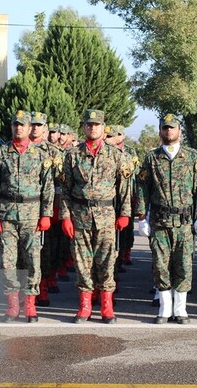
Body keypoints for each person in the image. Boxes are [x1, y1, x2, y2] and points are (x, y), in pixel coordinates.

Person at [60, 109, 132, 324]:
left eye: (97, 125)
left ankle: (107, 306)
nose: (93, 128)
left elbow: (125, 189)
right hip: (80, 215)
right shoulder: (72, 155)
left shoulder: (117, 155)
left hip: (107, 216)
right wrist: (65, 216)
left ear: (103, 127)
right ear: (84, 127)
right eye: (89, 124)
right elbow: (65, 189)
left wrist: (125, 214)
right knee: (82, 262)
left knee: (107, 261)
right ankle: (84, 305)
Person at [136, 114, 197, 324]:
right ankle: (165, 308)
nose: (169, 131)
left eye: (172, 128)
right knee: (160, 265)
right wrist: (142, 217)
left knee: (184, 265)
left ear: (180, 131)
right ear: (160, 131)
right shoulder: (151, 158)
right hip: (159, 221)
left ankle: (181, 309)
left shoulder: (192, 156)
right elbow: (143, 188)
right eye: (165, 128)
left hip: (184, 222)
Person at [0, 110, 54, 323]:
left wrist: (46, 214)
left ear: (29, 128)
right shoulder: (1, 153)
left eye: (22, 125)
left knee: (32, 261)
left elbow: (48, 187)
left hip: (31, 215)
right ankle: (13, 305)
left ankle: (31, 306)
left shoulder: (40, 154)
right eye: (15, 125)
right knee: (7, 262)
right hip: (6, 215)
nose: (19, 128)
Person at [29, 111, 63, 307]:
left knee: (46, 248)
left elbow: (61, 180)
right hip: (24, 208)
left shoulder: (53, 152)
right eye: (32, 124)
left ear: (45, 128)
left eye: (39, 125)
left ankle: (43, 285)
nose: (35, 128)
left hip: (48, 205)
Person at [105, 125, 140, 273]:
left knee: (127, 228)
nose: (114, 137)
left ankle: (126, 252)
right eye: (111, 135)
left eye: (118, 134)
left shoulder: (130, 152)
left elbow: (136, 173)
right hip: (107, 200)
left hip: (126, 195)